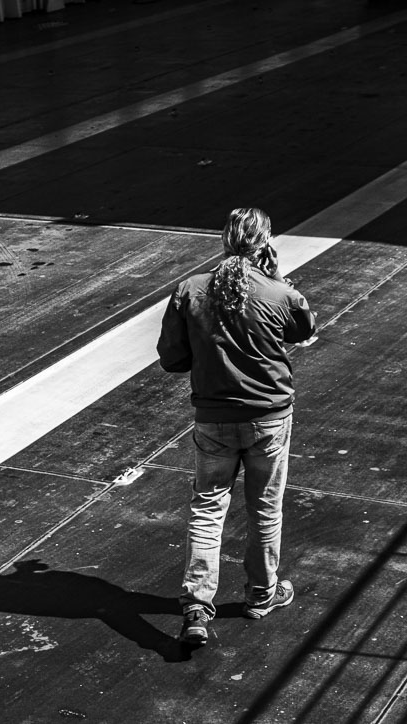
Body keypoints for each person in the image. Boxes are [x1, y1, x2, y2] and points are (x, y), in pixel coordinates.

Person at [156, 207, 317, 645]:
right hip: (268, 418)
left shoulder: (190, 290)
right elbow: (304, 330)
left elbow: (171, 357)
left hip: (213, 419)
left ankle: (195, 608)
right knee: (264, 507)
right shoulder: (281, 293)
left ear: (225, 239)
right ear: (266, 240)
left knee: (207, 510)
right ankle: (262, 595)